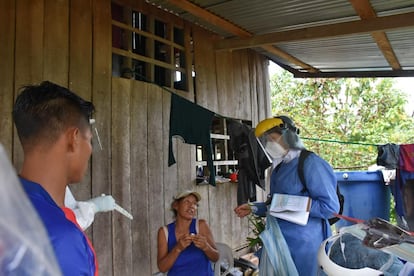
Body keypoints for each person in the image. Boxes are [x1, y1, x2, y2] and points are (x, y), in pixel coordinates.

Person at [234, 115, 339, 276]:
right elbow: (279, 203)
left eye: (273, 138)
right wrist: (254, 208)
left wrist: (300, 204)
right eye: (266, 140)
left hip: (306, 245)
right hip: (280, 242)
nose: (270, 144)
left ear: (289, 136)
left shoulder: (311, 163)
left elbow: (330, 208)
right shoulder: (278, 168)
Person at [12, 81, 98, 275]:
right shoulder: (60, 237)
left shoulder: (10, 204)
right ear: (73, 139)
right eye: (89, 140)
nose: (90, 150)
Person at [157, 190, 219, 275]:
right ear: (176, 205)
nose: (191, 206)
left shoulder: (201, 225)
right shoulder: (164, 232)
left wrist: (206, 247)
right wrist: (178, 248)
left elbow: (216, 257)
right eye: (187, 202)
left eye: (195, 203)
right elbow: (162, 268)